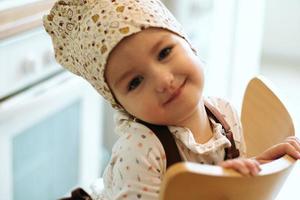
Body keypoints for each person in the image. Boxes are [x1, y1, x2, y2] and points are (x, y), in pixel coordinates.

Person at [43, 0, 300, 199]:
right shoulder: (140, 150)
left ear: (189, 44)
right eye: (135, 82)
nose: (163, 80)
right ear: (121, 106)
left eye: (165, 52)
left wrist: (259, 164)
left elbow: (227, 186)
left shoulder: (224, 113)